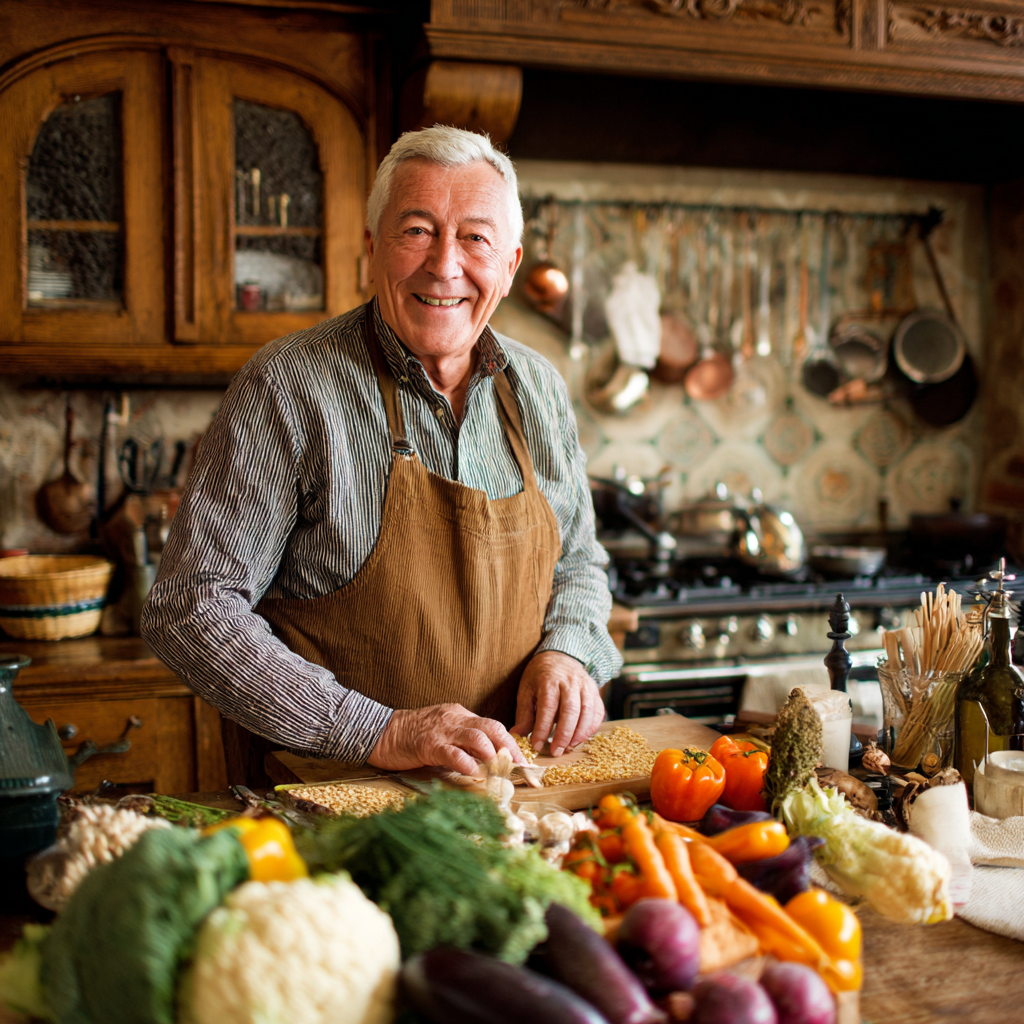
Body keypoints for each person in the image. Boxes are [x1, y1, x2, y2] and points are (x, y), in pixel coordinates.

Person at [142, 126, 622, 785]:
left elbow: (579, 563)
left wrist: (568, 654)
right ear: (372, 249)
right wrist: (380, 731)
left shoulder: (538, 388)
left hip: (513, 795)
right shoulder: (288, 388)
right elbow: (191, 606)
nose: (445, 266)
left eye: (474, 239)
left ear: (509, 266)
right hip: (332, 801)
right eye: (417, 231)